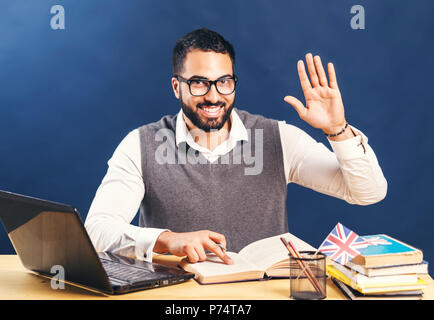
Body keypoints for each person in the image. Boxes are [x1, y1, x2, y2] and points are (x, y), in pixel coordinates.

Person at [84, 28, 387, 266]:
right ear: (177, 87)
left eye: (224, 82)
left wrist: (338, 130)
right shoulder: (141, 145)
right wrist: (166, 239)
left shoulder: (278, 138)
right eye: (199, 83)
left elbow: (369, 193)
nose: (214, 96)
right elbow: (97, 230)